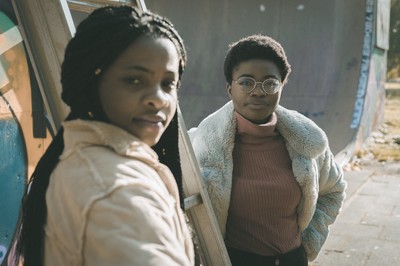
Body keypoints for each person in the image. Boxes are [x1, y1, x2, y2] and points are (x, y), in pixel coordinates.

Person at [9, 5, 194, 266]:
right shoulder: (115, 188)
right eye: (134, 80)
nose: (158, 99)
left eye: (168, 84)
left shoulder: (87, 160)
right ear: (91, 81)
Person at [188, 34, 347, 266]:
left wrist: (309, 242)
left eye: (270, 83)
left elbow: (334, 190)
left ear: (281, 87)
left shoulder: (305, 142)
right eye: (246, 82)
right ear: (230, 88)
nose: (258, 92)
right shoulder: (202, 145)